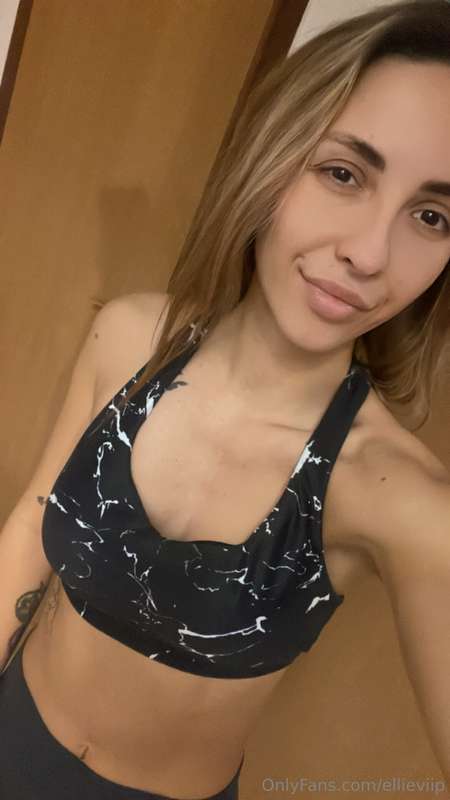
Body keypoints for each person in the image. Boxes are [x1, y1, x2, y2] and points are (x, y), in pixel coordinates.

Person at [1, 0, 449, 796]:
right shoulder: (131, 339)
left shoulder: (396, 494)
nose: (369, 253)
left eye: (432, 215)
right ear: (274, 154)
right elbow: (33, 528)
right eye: (343, 173)